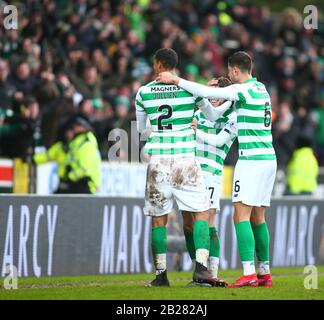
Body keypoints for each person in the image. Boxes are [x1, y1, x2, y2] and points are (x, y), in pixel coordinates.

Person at [157, 51, 277, 288]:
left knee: (239, 215)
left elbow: (213, 95)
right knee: (258, 217)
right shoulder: (260, 89)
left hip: (251, 160)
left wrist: (177, 80)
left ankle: (249, 273)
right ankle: (264, 272)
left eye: (231, 73)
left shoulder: (240, 91)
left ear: (234, 70)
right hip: (268, 158)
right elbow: (212, 107)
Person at [136, 48, 229, 287]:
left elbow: (141, 130)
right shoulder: (190, 89)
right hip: (185, 161)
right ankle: (200, 268)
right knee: (201, 214)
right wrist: (204, 94)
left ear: (158, 65)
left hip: (157, 162)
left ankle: (160, 276)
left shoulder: (143, 92)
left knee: (158, 220)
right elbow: (212, 113)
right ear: (175, 66)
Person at [182, 77, 237, 286]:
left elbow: (220, 141)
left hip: (211, 173)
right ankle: (199, 270)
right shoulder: (197, 111)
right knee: (188, 226)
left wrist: (197, 131)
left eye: (217, 93)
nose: (213, 97)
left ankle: (211, 274)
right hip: (189, 171)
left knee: (207, 222)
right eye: (211, 92)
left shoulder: (233, 116)